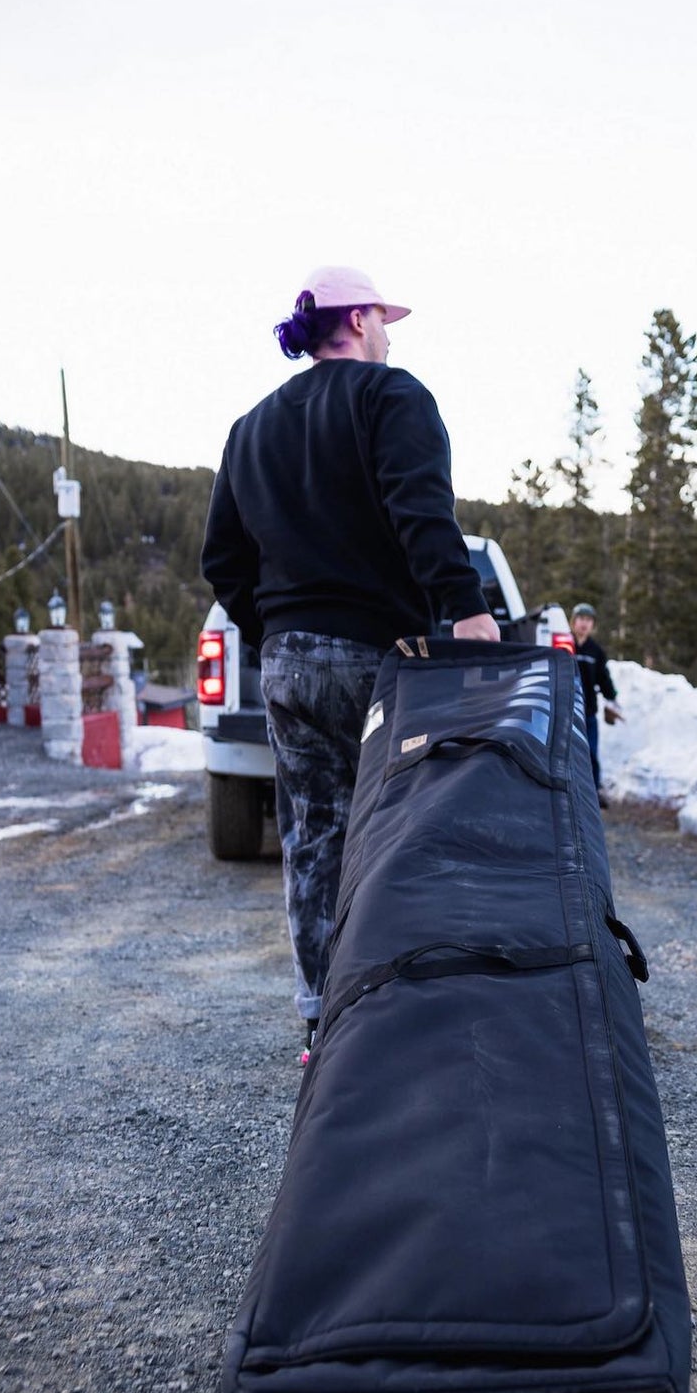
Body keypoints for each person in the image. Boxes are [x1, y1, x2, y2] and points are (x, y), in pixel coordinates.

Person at [201, 265, 499, 1058]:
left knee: (314, 836)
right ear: (360, 318)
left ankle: (322, 1022)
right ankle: (402, 1009)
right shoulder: (390, 395)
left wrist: (274, 631)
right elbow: (420, 509)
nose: (392, 335)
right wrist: (466, 609)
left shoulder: (250, 426)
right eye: (386, 320)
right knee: (401, 831)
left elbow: (221, 560)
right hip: (379, 658)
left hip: (290, 665)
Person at [569, 603, 622, 803]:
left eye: (588, 620)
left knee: (590, 751)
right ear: (573, 622)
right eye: (580, 619)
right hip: (565, 710)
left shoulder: (596, 652)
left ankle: (593, 791)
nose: (584, 624)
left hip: (588, 711)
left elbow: (604, 678)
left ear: (593, 625)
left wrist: (612, 698)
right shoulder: (564, 645)